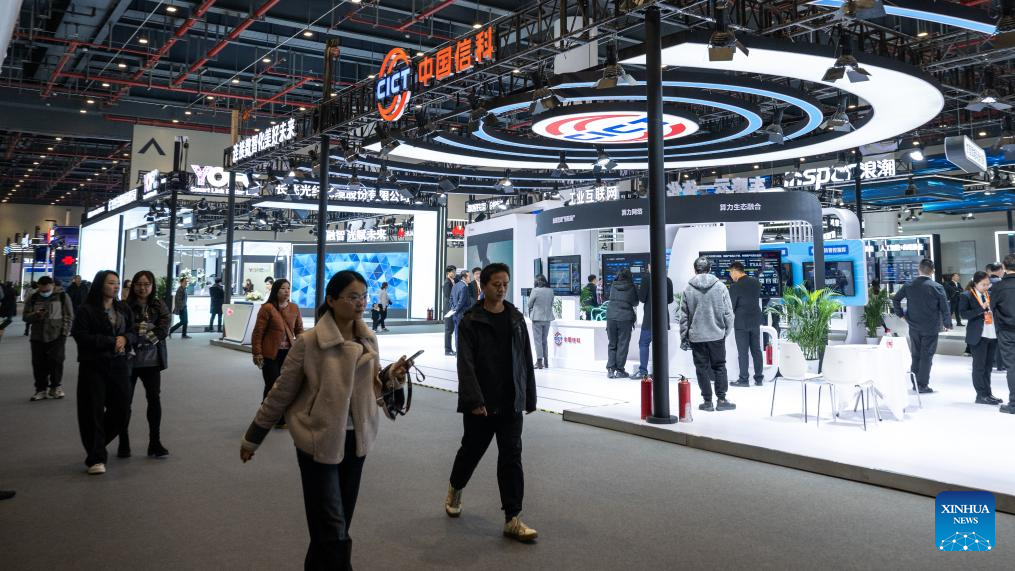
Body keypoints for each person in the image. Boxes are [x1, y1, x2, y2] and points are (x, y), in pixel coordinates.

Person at [240, 270, 412, 569]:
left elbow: (374, 386)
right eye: (352, 297)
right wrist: (254, 436)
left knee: (333, 527)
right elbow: (281, 393)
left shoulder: (368, 338)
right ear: (331, 300)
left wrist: (392, 377)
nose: (361, 303)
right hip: (318, 441)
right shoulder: (309, 342)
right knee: (333, 530)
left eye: (363, 296)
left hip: (356, 440)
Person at [445, 263, 538, 542]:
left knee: (511, 458)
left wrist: (528, 396)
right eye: (496, 284)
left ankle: (513, 518)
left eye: (505, 284)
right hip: (482, 404)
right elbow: (466, 365)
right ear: (483, 286)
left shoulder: (516, 318)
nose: (501, 289)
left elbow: (525, 360)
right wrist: (474, 399)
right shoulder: (471, 320)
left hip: (510, 403)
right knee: (471, 452)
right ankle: (455, 487)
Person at [71, 270, 136, 475]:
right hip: (93, 365)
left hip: (119, 365)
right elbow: (80, 336)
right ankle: (96, 457)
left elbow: (133, 331)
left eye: (117, 283)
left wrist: (125, 338)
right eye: (111, 283)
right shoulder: (86, 310)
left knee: (122, 409)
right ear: (100, 285)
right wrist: (110, 341)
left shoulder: (123, 308)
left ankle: (96, 445)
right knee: (93, 411)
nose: (115, 287)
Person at [121, 270, 172, 459]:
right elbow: (122, 329)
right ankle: (123, 442)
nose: (142, 288)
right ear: (133, 286)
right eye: (139, 284)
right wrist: (145, 330)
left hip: (152, 361)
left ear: (152, 286)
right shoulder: (125, 306)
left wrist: (143, 332)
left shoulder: (159, 305)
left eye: (146, 284)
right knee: (124, 402)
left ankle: (155, 442)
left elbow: (164, 330)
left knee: (154, 400)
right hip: (128, 361)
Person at [680, 257, 736, 412]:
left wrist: (684, 336)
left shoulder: (688, 288)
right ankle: (722, 400)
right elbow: (728, 313)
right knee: (719, 366)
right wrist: (725, 331)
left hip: (697, 336)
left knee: (701, 368)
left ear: (695, 270)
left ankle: (707, 402)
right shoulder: (720, 286)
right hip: (716, 334)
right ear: (710, 269)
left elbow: (684, 316)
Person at [892, 258, 952, 394]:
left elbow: (896, 299)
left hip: (913, 326)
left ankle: (915, 383)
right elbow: (945, 307)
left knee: (916, 354)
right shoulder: (937, 286)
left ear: (919, 269)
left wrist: (901, 315)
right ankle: (922, 385)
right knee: (927, 356)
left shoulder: (909, 285)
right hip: (931, 327)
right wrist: (947, 324)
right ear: (932, 271)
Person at [252, 278, 304, 429]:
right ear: (276, 290)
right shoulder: (267, 308)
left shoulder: (294, 308)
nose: (286, 291)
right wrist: (257, 352)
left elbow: (299, 330)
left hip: (288, 353)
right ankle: (266, 415)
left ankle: (279, 418)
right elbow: (258, 332)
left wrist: (303, 347)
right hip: (270, 354)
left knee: (285, 386)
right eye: (282, 288)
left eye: (288, 288)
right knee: (272, 384)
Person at [23, 276, 73, 401]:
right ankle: (41, 390)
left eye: (47, 290)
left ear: (53, 285)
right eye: (42, 290)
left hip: (57, 335)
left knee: (56, 362)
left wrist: (64, 333)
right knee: (38, 364)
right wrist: (36, 314)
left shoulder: (62, 297)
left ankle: (55, 387)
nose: (44, 292)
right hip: (37, 336)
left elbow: (68, 316)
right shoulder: (33, 297)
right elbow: (25, 317)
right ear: (38, 287)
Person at [959, 272, 1002, 405]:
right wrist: (980, 309)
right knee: (979, 367)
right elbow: (963, 314)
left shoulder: (990, 295)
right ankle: (981, 395)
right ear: (975, 283)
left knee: (988, 367)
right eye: (983, 284)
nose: (986, 287)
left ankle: (988, 393)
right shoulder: (966, 295)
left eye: (987, 284)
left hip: (992, 334)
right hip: (978, 336)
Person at [729, 261, 765, 387]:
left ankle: (744, 379)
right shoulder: (756, 282)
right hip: (755, 320)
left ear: (735, 271)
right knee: (756, 350)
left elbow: (731, 306)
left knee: (743, 352)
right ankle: (759, 379)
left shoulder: (735, 286)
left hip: (741, 322)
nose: (731, 276)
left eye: (731, 273)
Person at [635, 265, 674, 379]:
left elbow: (642, 298)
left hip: (650, 318)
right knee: (660, 346)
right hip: (663, 319)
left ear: (650, 266)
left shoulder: (646, 279)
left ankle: (643, 371)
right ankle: (659, 372)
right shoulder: (668, 280)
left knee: (644, 343)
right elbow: (670, 300)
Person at [991, 254, 1015, 414]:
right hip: (1006, 330)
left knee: (1012, 367)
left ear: (1004, 267)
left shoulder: (998, 287)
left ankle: (1013, 404)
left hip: (1006, 331)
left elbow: (992, 307)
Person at [605, 268, 639, 378]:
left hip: (611, 317)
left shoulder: (613, 285)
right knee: (623, 344)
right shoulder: (632, 286)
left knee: (612, 343)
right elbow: (635, 302)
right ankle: (620, 370)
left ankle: (610, 369)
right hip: (625, 317)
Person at [528, 274, 555, 369]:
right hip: (547, 318)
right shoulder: (550, 291)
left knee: (538, 341)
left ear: (537, 281)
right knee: (544, 340)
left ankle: (539, 362)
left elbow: (529, 304)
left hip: (537, 318)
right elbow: (551, 303)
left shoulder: (535, 290)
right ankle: (546, 362)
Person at [989, 263, 1007, 371]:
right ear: (1000, 269)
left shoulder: (985, 282)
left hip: (987, 314)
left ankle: (993, 362)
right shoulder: (1000, 283)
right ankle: (1001, 364)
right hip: (1000, 316)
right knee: (1000, 341)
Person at [451, 270, 475, 343]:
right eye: (469, 277)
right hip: (462, 314)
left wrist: (453, 309)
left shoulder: (455, 285)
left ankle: (458, 349)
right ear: (464, 278)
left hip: (455, 314)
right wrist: (456, 309)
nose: (470, 278)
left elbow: (451, 299)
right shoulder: (464, 287)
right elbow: (461, 302)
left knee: (457, 334)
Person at [442, 265, 458, 356]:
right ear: (448, 273)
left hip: (453, 309)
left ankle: (450, 349)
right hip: (449, 309)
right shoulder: (447, 283)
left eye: (455, 271)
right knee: (448, 330)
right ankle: (447, 350)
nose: (455, 273)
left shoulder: (454, 281)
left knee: (451, 330)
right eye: (453, 272)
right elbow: (448, 296)